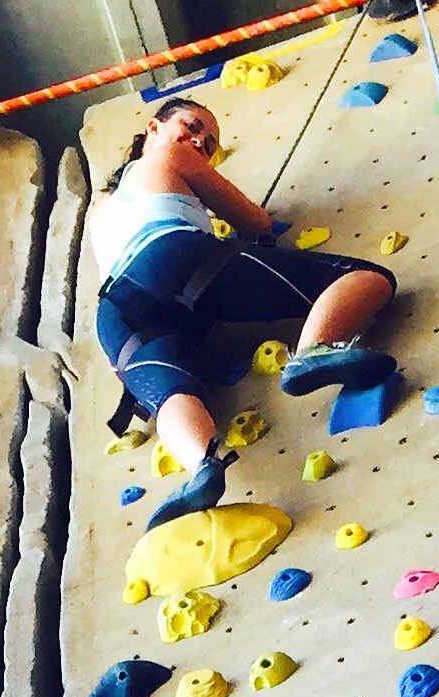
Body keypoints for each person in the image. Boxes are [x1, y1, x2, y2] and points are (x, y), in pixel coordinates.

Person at [92, 95, 398, 529]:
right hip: (172, 257)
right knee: (367, 278)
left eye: (210, 142)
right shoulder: (168, 156)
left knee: (170, 393)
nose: (200, 141)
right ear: (154, 128)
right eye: (193, 126)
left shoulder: (100, 209)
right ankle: (312, 352)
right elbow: (253, 221)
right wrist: (261, 225)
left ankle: (202, 465)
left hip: (116, 314)